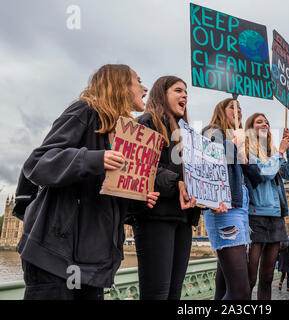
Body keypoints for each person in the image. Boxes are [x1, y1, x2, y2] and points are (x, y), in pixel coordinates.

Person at [17, 64, 160, 300]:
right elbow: (38, 163)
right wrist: (93, 158)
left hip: (94, 264)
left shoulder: (126, 135)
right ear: (120, 85)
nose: (145, 88)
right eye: (138, 81)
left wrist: (139, 199)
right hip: (55, 256)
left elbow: (105, 201)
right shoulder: (84, 111)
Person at [129, 76, 200, 300]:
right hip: (155, 217)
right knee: (156, 293)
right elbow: (142, 167)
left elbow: (195, 176)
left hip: (183, 220)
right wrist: (176, 183)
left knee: (174, 293)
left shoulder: (188, 135)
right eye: (178, 90)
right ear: (162, 94)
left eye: (186, 92)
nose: (185, 96)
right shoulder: (146, 122)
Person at [202, 98, 262, 300]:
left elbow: (257, 176)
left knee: (224, 287)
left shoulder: (237, 138)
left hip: (240, 209)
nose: (238, 112)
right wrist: (234, 145)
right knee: (240, 291)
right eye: (232, 108)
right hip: (224, 209)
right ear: (221, 110)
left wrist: (244, 152)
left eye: (240, 109)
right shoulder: (211, 131)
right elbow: (212, 157)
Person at [244, 113, 289, 300]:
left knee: (268, 277)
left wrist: (288, 147)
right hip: (255, 215)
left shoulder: (272, 152)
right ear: (251, 128)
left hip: (276, 217)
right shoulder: (246, 150)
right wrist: (279, 154)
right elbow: (264, 173)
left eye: (267, 122)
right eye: (259, 121)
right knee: (250, 277)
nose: (265, 124)